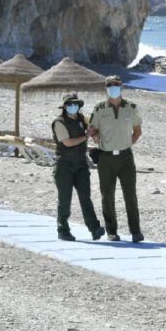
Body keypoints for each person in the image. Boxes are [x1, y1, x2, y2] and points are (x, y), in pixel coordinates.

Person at [88, 76, 143, 242]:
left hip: (126, 158)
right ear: (105, 88)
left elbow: (137, 131)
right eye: (110, 86)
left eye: (116, 85)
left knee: (130, 195)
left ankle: (136, 231)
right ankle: (112, 231)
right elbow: (92, 129)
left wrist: (126, 144)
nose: (113, 88)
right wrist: (96, 136)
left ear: (121, 87)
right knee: (107, 195)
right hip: (106, 158)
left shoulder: (131, 108)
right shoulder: (99, 109)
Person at [51, 93, 104, 242]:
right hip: (64, 165)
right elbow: (67, 142)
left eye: (76, 104)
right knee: (65, 199)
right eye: (70, 104)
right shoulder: (59, 122)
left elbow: (94, 128)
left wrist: (95, 134)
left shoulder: (82, 119)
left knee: (85, 197)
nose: (73, 107)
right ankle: (63, 229)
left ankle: (94, 228)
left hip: (81, 164)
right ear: (65, 106)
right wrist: (86, 136)